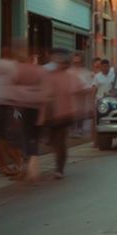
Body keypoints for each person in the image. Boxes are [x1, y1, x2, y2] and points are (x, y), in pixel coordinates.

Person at [43, 48, 85, 179]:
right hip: (52, 114)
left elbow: (80, 91)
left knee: (60, 142)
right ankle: (58, 165)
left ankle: (59, 168)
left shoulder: (71, 76)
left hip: (65, 114)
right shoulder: (51, 76)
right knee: (54, 142)